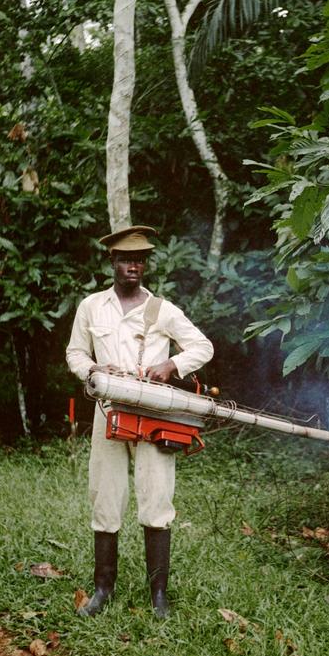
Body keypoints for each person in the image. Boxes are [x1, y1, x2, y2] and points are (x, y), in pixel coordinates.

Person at [66, 225, 214, 618]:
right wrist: (96, 368)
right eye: (126, 259)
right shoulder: (92, 307)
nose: (134, 266)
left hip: (153, 414)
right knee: (105, 494)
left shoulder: (161, 309)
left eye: (140, 259)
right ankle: (102, 588)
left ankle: (158, 596)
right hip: (109, 411)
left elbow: (203, 345)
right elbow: (75, 354)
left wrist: (171, 364)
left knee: (156, 495)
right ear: (112, 262)